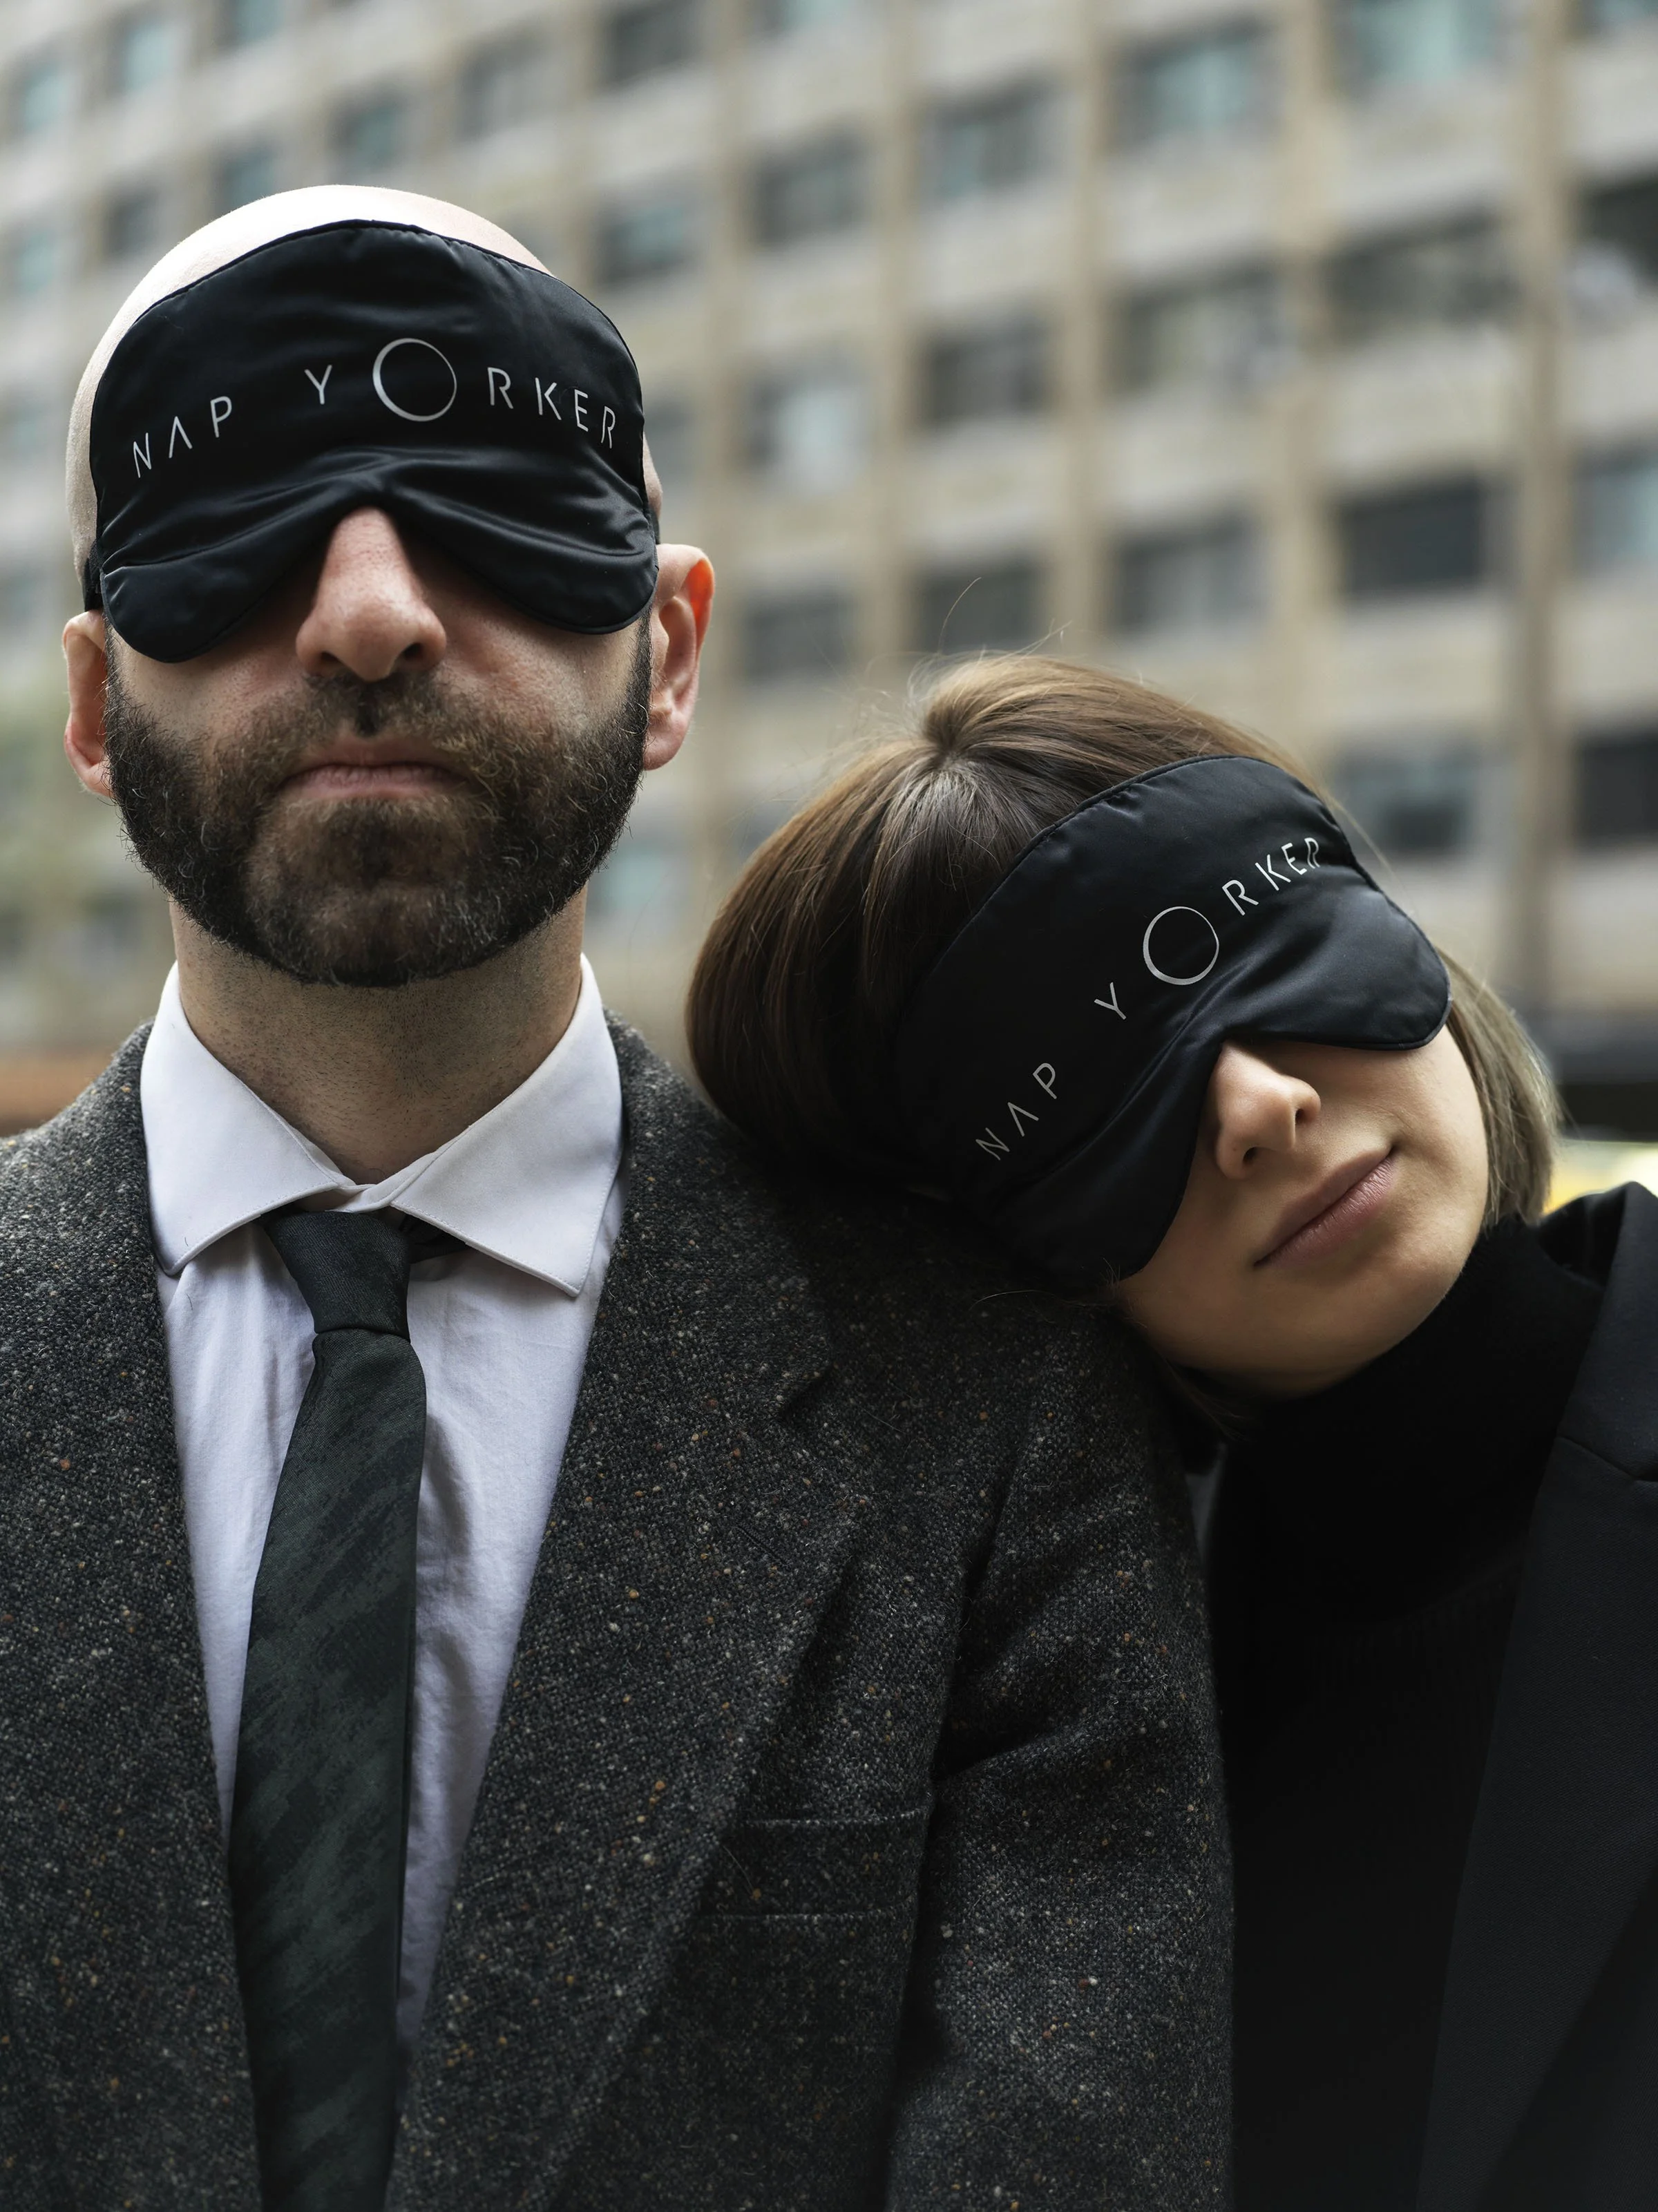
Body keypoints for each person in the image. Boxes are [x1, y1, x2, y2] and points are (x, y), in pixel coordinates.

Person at [0, 193, 1228, 2209]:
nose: (375, 609)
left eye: (493, 501)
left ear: (665, 655)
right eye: (236, 512)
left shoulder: (994, 1409)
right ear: (86, 704)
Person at [687, 652, 1658, 2212]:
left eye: (1268, 950)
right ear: (1000, 1257)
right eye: (1084, 1093)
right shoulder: (1041, 1721)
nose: (1265, 1104)